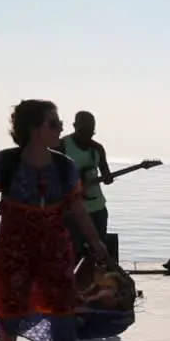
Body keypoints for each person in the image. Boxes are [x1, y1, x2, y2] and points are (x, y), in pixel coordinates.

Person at [0, 99, 111, 341]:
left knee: (62, 304)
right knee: (10, 303)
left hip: (54, 246)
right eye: (54, 123)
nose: (60, 128)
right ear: (34, 128)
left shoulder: (64, 165)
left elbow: (78, 208)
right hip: (13, 247)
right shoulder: (5, 160)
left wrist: (97, 243)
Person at [58, 111, 113, 259]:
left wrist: (108, 177)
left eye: (91, 132)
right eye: (83, 131)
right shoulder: (63, 145)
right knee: (73, 252)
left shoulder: (98, 149)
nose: (87, 136)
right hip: (72, 209)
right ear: (75, 126)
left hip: (97, 208)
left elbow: (107, 178)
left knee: (99, 252)